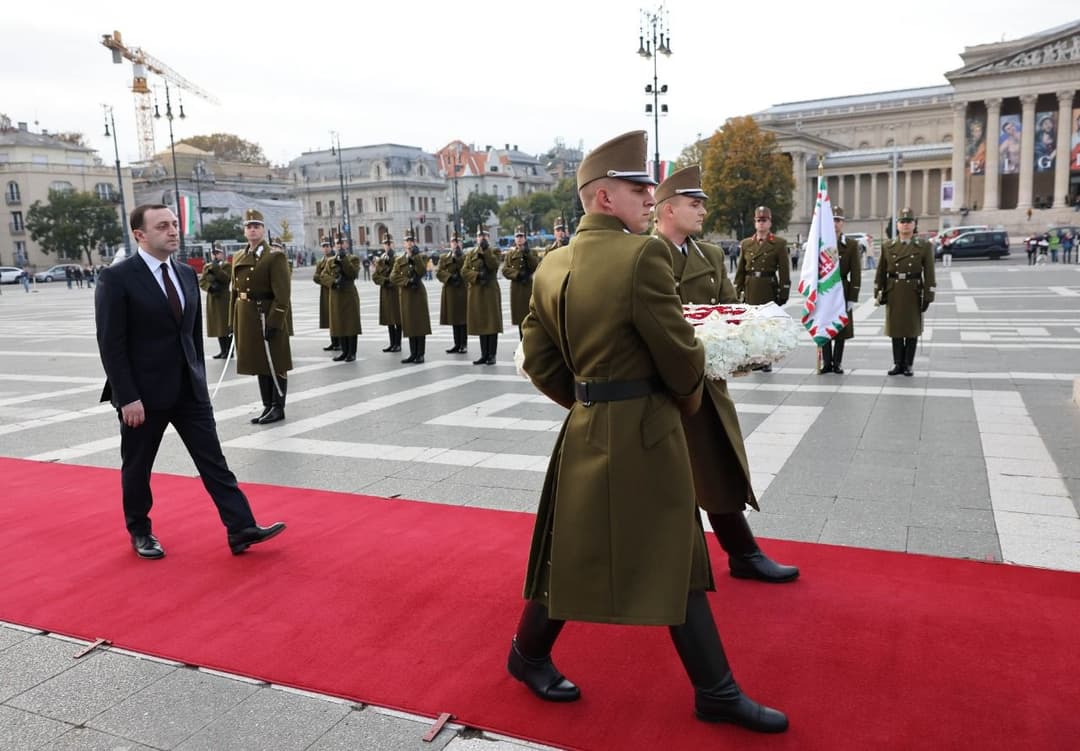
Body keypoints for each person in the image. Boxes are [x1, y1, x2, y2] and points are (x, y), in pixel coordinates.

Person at [507, 130, 787, 734]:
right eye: (638, 190)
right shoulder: (642, 257)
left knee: (574, 545)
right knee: (673, 551)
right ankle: (715, 692)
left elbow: (538, 358)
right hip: (647, 426)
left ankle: (528, 654)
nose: (648, 198)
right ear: (605, 197)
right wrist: (682, 399)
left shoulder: (551, 264)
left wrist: (587, 402)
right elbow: (682, 359)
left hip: (586, 426)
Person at [94, 204, 286, 559]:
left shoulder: (184, 273)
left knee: (214, 461)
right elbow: (111, 344)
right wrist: (127, 396)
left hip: (188, 390)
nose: (172, 231)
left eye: (174, 224)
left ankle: (241, 527)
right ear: (139, 234)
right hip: (143, 395)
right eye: (162, 226)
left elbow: (191, 335)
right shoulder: (117, 278)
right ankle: (140, 531)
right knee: (138, 467)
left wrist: (198, 377)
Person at [653, 165, 799, 584]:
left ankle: (743, 554)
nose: (702, 211)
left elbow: (733, 312)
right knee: (662, 479)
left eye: (702, 204)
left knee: (716, 468)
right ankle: (673, 561)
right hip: (658, 388)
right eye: (693, 204)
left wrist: (748, 349)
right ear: (668, 209)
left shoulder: (710, 256)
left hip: (704, 384)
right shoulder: (642, 255)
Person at [231, 209, 293, 424]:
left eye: (256, 226)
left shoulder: (274, 256)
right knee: (259, 361)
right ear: (244, 231)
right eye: (249, 226)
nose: (252, 230)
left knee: (276, 361)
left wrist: (275, 321)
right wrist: (232, 321)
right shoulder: (239, 256)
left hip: (267, 315)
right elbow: (234, 292)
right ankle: (267, 405)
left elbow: (282, 294)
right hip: (247, 317)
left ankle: (278, 406)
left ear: (263, 230)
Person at [874, 208, 935, 377]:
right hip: (894, 290)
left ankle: (908, 364)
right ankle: (897, 363)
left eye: (909, 222)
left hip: (913, 291)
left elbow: (929, 273)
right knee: (896, 329)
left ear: (914, 225)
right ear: (897, 225)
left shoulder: (923, 246)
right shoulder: (888, 246)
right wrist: (878, 291)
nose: (905, 225)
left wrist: (928, 295)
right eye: (902, 222)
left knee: (912, 329)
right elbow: (881, 271)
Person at [735, 206, 791, 372]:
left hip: (768, 287)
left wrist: (784, 292)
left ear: (770, 223)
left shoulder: (778, 243)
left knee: (766, 326)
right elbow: (741, 270)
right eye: (758, 220)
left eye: (764, 220)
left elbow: (784, 271)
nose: (761, 223)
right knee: (751, 326)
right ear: (754, 223)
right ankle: (753, 358)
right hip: (750, 286)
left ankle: (766, 360)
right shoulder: (746, 243)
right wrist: (737, 290)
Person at [821, 207, 861, 374]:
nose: (835, 224)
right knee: (824, 325)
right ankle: (826, 362)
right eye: (832, 220)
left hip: (842, 289)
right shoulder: (821, 244)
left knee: (840, 328)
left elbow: (856, 272)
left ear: (842, 223)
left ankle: (837, 362)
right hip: (825, 290)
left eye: (838, 220)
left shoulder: (850, 245)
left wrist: (852, 296)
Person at [461, 226, 503, 365]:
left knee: (491, 323)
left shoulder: (494, 251)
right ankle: (484, 354)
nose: (481, 238)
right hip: (477, 291)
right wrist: (477, 275)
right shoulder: (471, 253)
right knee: (481, 322)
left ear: (488, 237)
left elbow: (494, 265)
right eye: (479, 236)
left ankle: (492, 354)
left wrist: (486, 251)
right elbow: (464, 271)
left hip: (490, 291)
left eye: (484, 236)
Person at [390, 230, 431, 364]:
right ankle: (413, 353)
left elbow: (422, 271)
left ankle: (421, 354)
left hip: (418, 294)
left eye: (411, 241)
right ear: (404, 243)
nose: (409, 243)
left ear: (415, 242)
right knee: (410, 324)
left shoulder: (421, 257)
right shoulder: (399, 260)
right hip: (406, 294)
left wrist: (416, 257)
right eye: (407, 241)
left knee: (420, 324)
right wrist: (407, 281)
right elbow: (393, 276)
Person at [324, 237, 362, 362]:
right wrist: (333, 282)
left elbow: (353, 273)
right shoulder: (330, 261)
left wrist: (344, 259)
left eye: (341, 243)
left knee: (351, 324)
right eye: (337, 243)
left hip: (349, 294)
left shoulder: (353, 259)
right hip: (336, 295)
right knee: (339, 323)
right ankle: (344, 352)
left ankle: (352, 352)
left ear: (346, 244)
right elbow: (323, 275)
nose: (339, 245)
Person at [502, 225, 539, 339]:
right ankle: (521, 343)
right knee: (519, 320)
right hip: (517, 289)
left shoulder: (532, 252)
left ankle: (530, 343)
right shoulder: (510, 254)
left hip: (528, 288)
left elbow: (536, 265)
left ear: (525, 238)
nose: (519, 239)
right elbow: (505, 270)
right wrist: (517, 274)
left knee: (531, 318)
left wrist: (527, 254)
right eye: (517, 236)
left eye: (521, 236)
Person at [198, 245, 233, 359]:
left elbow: (226, 279)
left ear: (222, 254)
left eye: (218, 253)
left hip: (224, 299)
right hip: (213, 298)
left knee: (225, 325)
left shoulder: (227, 265)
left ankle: (229, 350)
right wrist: (210, 287)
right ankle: (222, 350)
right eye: (214, 253)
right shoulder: (207, 266)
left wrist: (216, 268)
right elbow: (202, 281)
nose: (215, 255)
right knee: (217, 325)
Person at [436, 232, 468, 354]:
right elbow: (439, 272)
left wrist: (459, 258)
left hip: (462, 290)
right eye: (454, 241)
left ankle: (463, 344)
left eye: (458, 241)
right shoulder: (445, 257)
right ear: (450, 243)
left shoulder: (465, 257)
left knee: (463, 319)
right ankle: (456, 343)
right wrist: (449, 277)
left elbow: (466, 269)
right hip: (450, 290)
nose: (456, 244)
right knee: (454, 318)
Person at [372, 234, 403, 354]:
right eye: (385, 243)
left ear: (393, 244)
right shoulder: (381, 260)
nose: (388, 246)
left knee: (397, 318)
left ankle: (398, 343)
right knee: (389, 318)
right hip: (385, 291)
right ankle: (392, 343)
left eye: (389, 243)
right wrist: (384, 281)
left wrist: (391, 280)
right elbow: (375, 276)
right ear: (383, 245)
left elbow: (399, 273)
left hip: (395, 291)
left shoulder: (397, 258)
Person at [313, 240, 339, 352]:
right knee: (329, 317)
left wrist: (326, 280)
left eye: (327, 246)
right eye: (323, 246)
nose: (325, 248)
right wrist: (326, 280)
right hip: (325, 292)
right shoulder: (321, 261)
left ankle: (340, 342)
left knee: (337, 317)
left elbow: (335, 275)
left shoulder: (336, 259)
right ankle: (334, 342)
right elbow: (316, 276)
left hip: (335, 291)